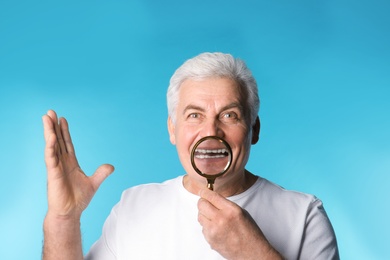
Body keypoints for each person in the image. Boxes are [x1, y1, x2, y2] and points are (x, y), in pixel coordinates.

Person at [42, 52, 339, 259]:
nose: (211, 131)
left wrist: (254, 254)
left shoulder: (305, 215)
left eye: (230, 115)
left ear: (254, 130)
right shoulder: (133, 206)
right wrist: (63, 219)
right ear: (172, 130)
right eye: (194, 115)